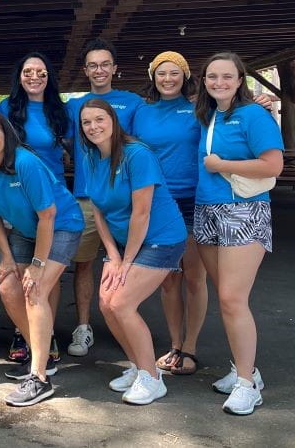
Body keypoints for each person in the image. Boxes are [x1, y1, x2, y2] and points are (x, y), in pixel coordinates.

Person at [0, 112, 83, 406]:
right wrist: (6, 256)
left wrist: (38, 265)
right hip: (25, 230)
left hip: (61, 226)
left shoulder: (25, 162)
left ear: (6, 135)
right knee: (8, 287)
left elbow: (48, 215)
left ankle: (40, 379)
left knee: (35, 289)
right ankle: (40, 356)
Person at [79, 99, 187, 405]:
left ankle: (152, 378)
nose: (93, 127)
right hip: (123, 243)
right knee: (106, 303)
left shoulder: (137, 154)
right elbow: (98, 211)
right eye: (86, 122)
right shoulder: (90, 157)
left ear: (113, 121)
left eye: (99, 119)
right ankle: (140, 367)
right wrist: (113, 255)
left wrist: (126, 262)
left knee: (122, 303)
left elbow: (142, 213)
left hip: (161, 238)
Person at [194, 52, 283, 415]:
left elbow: (273, 165)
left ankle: (247, 384)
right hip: (206, 209)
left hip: (243, 210)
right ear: (204, 81)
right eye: (212, 76)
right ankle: (246, 370)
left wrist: (222, 165)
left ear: (240, 80)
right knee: (226, 297)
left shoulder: (253, 115)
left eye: (227, 76)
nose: (219, 82)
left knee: (232, 299)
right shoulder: (207, 115)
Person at [64, 38, 144, 358]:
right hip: (86, 198)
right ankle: (83, 327)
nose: (99, 70)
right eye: (93, 65)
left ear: (114, 68)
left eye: (105, 64)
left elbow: (151, 133)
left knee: (129, 264)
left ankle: (126, 324)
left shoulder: (133, 102)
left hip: (123, 199)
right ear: (85, 70)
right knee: (83, 264)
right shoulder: (74, 106)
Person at [131, 51, 206, 377]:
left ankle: (190, 347)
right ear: (153, 77)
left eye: (174, 72)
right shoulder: (141, 112)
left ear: (185, 76)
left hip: (192, 200)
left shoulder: (199, 108)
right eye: (161, 73)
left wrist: (259, 102)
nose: (167, 79)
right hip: (159, 201)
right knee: (168, 279)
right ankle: (175, 344)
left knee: (194, 277)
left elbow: (234, 113)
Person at [0, 51, 72, 366]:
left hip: (52, 198)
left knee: (44, 276)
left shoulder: (61, 111)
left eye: (41, 72)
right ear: (19, 76)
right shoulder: (6, 108)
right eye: (28, 71)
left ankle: (47, 332)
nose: (34, 77)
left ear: (49, 77)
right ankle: (23, 332)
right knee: (18, 273)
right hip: (17, 197)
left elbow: (74, 150)